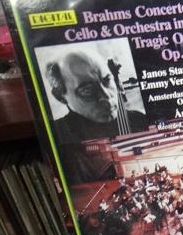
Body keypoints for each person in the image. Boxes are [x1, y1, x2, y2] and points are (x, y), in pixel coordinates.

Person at [44, 49, 148, 183]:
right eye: (87, 90)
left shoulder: (138, 119)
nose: (106, 95)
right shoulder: (57, 132)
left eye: (107, 80)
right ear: (60, 97)